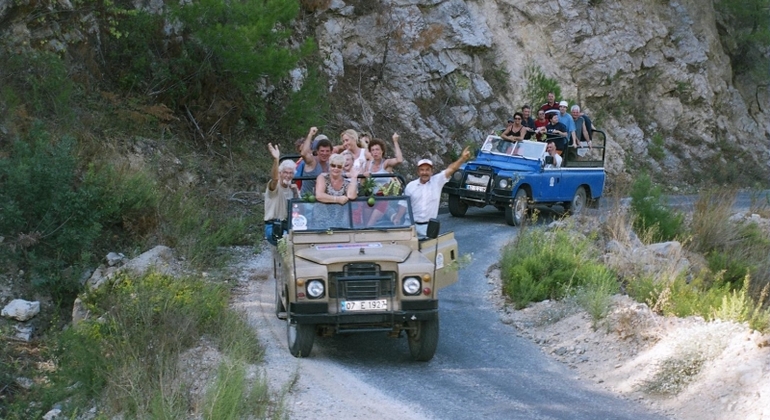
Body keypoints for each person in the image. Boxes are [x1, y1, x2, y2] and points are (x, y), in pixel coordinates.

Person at [394, 147, 472, 237]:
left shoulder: (437, 182)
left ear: (432, 172)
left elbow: (451, 169)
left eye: (427, 170)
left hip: (428, 227)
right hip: (410, 226)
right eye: (422, 170)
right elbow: (404, 204)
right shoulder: (410, 186)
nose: (424, 172)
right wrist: (397, 218)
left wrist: (462, 159)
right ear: (418, 172)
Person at [264, 143, 299, 245]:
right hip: (273, 225)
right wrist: (276, 160)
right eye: (285, 172)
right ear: (280, 173)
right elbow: (274, 179)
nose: (287, 175)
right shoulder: (275, 186)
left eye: (290, 173)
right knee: (286, 242)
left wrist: (296, 193)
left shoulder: (292, 188)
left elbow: (299, 210)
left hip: (288, 225)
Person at [299, 127, 333, 196]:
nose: (324, 153)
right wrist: (310, 134)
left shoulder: (332, 165)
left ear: (331, 152)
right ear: (317, 151)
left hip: (324, 200)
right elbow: (304, 153)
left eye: (327, 151)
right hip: (307, 201)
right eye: (322, 151)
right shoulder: (312, 162)